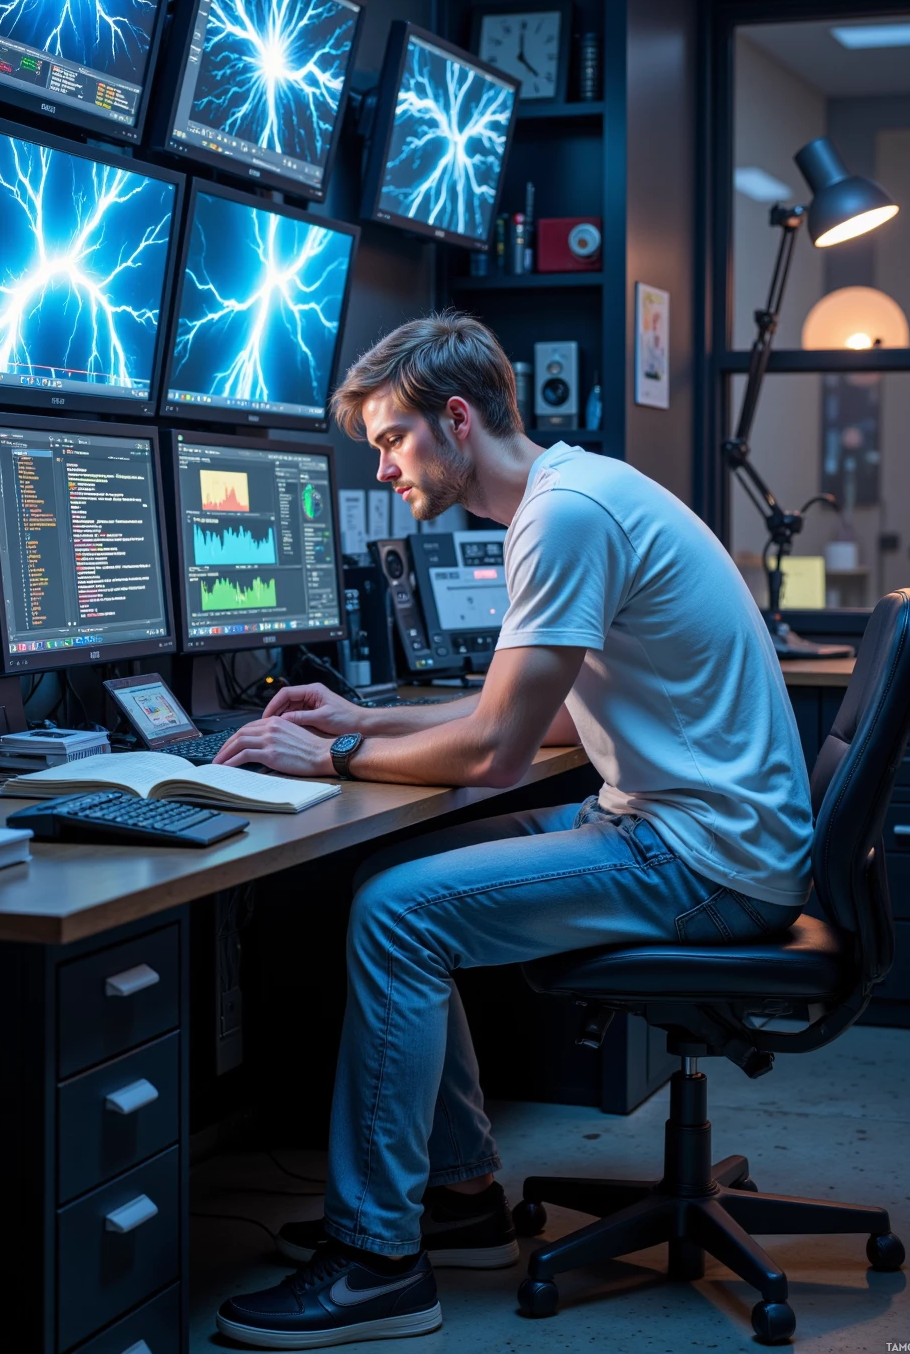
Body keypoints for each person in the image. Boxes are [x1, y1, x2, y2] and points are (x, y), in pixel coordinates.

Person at [213, 311, 813, 1350]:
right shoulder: (576, 491)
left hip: (705, 859)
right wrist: (365, 720)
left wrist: (334, 758)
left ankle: (376, 1266)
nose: (384, 468)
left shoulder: (561, 517)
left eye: (392, 440)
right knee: (408, 869)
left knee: (397, 913)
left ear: (457, 419)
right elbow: (536, 716)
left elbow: (496, 752)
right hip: (696, 829)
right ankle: (459, 1201)